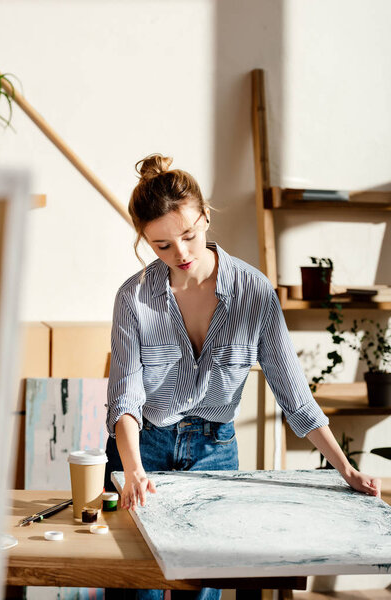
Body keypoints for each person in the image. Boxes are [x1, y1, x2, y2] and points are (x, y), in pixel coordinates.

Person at [105, 154, 381, 600]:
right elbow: (125, 398)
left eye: (189, 236)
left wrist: (344, 467)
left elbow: (294, 395)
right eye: (162, 246)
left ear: (206, 217)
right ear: (145, 241)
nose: (181, 254)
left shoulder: (254, 292)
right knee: (138, 590)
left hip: (214, 452)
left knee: (203, 591)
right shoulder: (133, 298)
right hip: (143, 451)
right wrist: (133, 470)